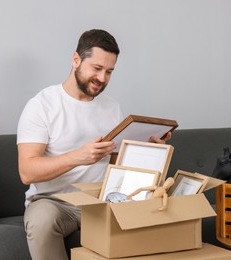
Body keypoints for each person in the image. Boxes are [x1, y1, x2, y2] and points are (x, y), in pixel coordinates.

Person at [17, 29, 171, 260]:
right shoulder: (42, 106)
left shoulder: (111, 107)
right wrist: (78, 156)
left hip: (102, 199)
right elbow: (27, 172)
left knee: (158, 217)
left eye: (109, 72)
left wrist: (148, 149)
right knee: (41, 222)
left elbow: (118, 164)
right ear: (76, 60)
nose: (102, 78)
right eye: (97, 69)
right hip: (55, 202)